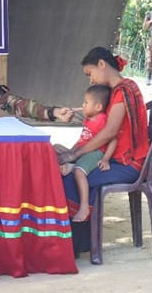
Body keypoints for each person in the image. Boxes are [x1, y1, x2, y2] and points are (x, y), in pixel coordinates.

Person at [58, 46, 149, 253]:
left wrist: (75, 154)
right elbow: (97, 127)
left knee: (71, 177)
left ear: (101, 64)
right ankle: (82, 242)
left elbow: (109, 132)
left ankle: (77, 244)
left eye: (90, 73)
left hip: (128, 164)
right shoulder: (116, 92)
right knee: (69, 169)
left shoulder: (124, 90)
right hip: (114, 159)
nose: (91, 80)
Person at [58, 84, 115, 222]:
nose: (83, 105)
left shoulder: (102, 119)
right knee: (56, 148)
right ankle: (70, 166)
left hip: (96, 153)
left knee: (79, 171)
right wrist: (71, 152)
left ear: (98, 107)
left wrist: (106, 158)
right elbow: (82, 140)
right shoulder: (89, 120)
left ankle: (84, 207)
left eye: (86, 103)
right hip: (83, 151)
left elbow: (113, 140)